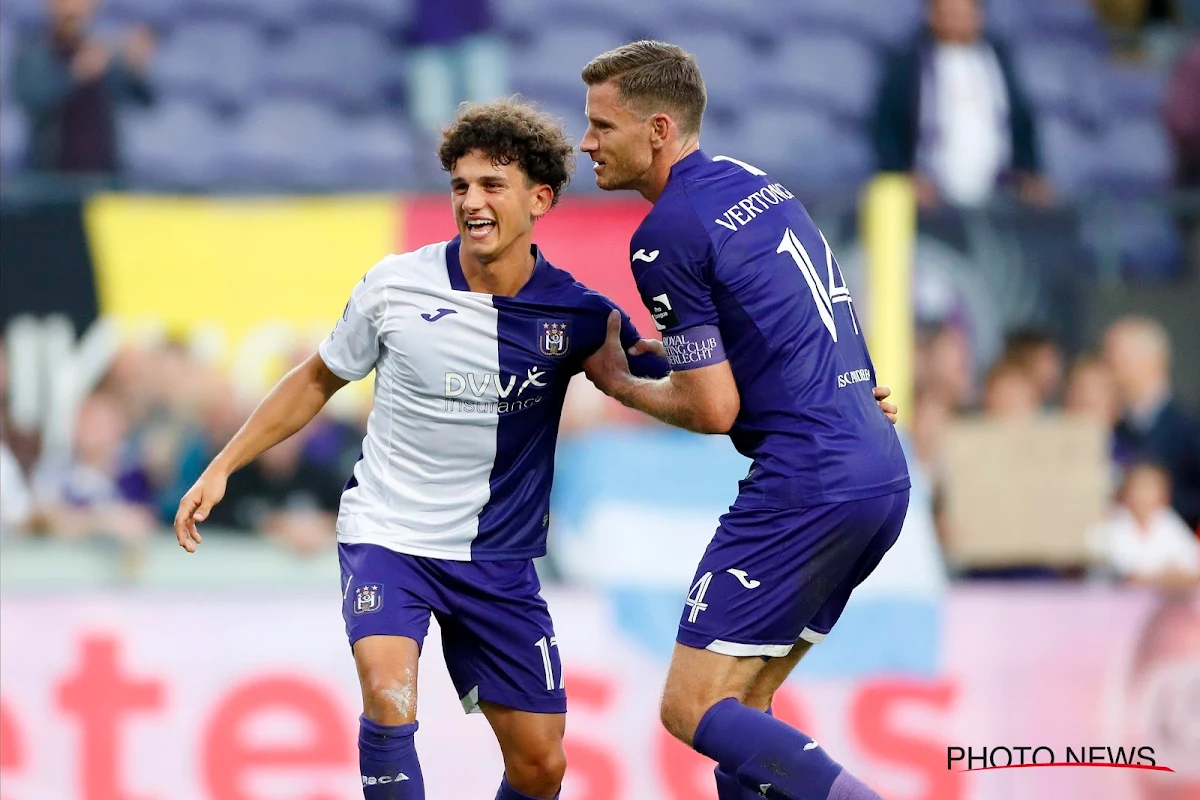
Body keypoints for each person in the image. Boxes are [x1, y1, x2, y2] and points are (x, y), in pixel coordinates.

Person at [173, 99, 672, 800]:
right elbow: (317, 378)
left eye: (491, 186)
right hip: (390, 534)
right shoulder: (395, 285)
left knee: (542, 765)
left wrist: (822, 399)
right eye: (460, 186)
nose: (471, 201)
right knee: (388, 694)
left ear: (541, 198)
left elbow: (687, 382)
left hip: (497, 557)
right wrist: (224, 464)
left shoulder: (581, 316)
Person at [578, 41, 910, 800]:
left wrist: (620, 384)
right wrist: (664, 356)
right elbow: (776, 334)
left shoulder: (663, 235)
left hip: (806, 480)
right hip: (876, 465)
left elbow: (714, 406)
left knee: (691, 707)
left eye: (602, 124)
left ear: (658, 130)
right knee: (744, 709)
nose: (586, 142)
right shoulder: (757, 185)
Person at [870, 0, 1052, 209]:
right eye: (950, 13)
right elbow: (887, 125)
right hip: (931, 201)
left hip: (1001, 196)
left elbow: (1020, 119)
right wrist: (903, 176)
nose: (958, 20)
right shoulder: (908, 63)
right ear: (932, 15)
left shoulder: (997, 58)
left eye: (965, 12)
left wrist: (1030, 173)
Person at [13, 0, 155, 176]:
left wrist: (136, 69)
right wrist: (75, 74)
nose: (73, 7)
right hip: (51, 181)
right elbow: (32, 98)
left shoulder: (102, 50)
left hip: (102, 177)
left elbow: (145, 100)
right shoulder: (33, 50)